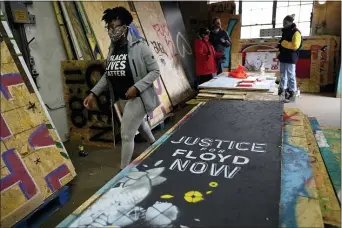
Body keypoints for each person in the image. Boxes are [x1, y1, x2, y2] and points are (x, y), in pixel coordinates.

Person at [83, 7, 160, 170]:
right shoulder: (112, 50)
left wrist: (137, 87)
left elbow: (155, 71)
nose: (112, 31)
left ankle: (123, 171)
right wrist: (93, 93)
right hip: (122, 98)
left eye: (115, 27)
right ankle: (155, 144)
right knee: (138, 124)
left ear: (125, 28)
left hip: (138, 97)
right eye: (109, 27)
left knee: (126, 134)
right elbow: (108, 75)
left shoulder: (140, 47)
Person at [278, 15, 302, 102]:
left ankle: (292, 93)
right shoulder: (285, 31)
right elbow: (282, 43)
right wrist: (279, 45)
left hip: (291, 58)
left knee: (291, 76)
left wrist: (283, 43)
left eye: (286, 23)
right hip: (283, 57)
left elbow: (295, 45)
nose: (284, 24)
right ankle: (282, 91)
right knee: (283, 75)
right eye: (283, 23)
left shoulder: (296, 32)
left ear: (291, 22)